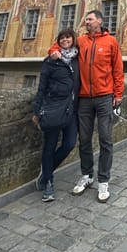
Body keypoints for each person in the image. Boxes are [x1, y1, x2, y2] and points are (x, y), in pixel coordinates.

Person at [50, 9, 124, 203]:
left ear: (99, 20)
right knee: (84, 140)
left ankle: (104, 180)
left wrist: (118, 94)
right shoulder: (81, 41)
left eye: (90, 19)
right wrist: (54, 52)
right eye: (86, 19)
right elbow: (60, 45)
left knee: (106, 140)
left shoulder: (110, 42)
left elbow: (117, 69)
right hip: (84, 98)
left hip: (104, 97)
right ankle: (87, 175)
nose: (86, 22)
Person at [32, 28, 80, 202]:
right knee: (49, 146)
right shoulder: (50, 61)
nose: (65, 40)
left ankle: (46, 172)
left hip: (71, 110)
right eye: (62, 38)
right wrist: (37, 111)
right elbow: (41, 87)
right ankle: (48, 183)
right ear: (58, 41)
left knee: (69, 144)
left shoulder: (76, 59)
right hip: (53, 108)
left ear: (73, 39)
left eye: (68, 37)